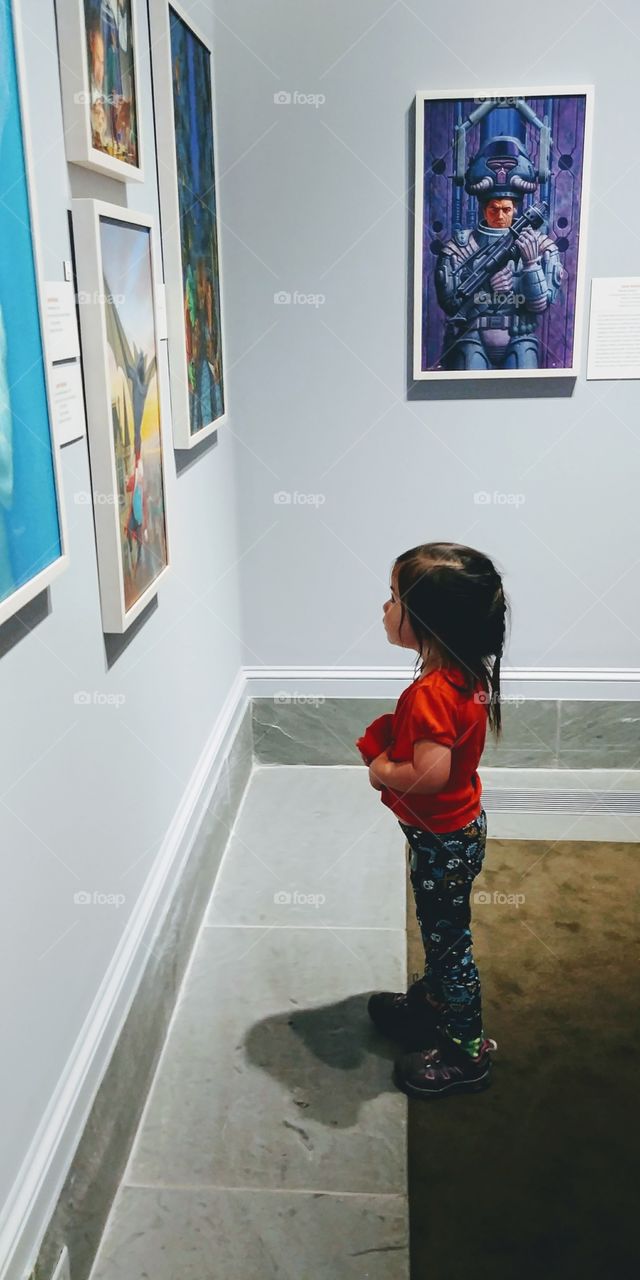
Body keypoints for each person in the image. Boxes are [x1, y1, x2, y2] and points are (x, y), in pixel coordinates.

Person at [356, 542, 509, 1099]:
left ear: (428, 620)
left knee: (450, 944)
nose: (383, 607)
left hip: (442, 840)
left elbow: (429, 775)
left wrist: (379, 767)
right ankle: (431, 1004)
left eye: (393, 598)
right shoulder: (467, 673)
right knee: (441, 929)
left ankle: (465, 1052)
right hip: (458, 832)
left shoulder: (430, 693)